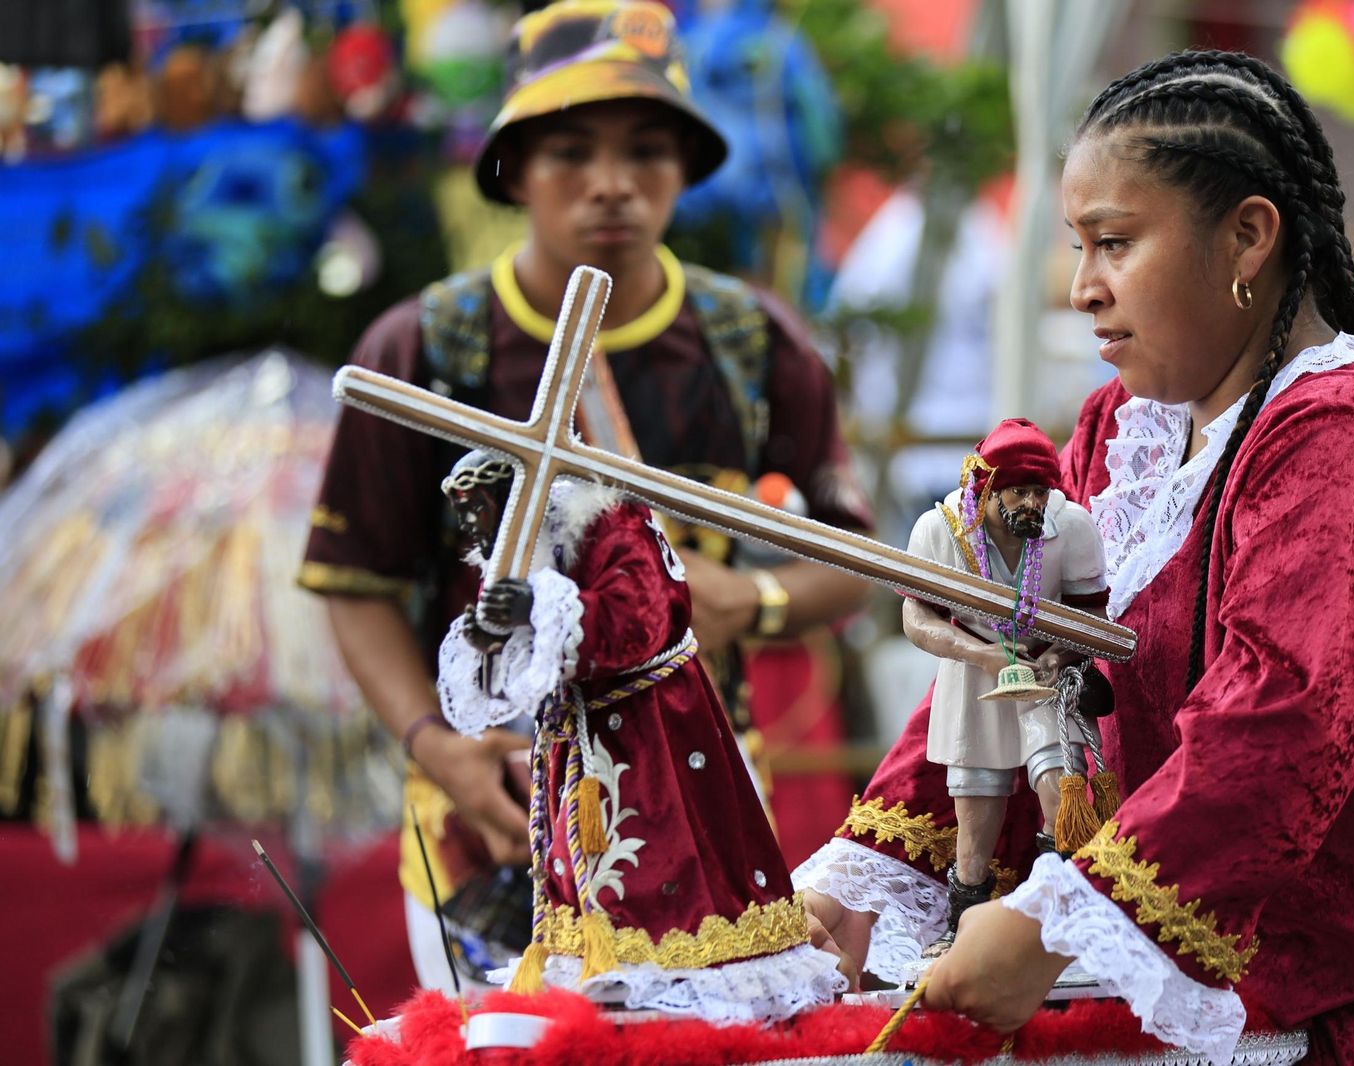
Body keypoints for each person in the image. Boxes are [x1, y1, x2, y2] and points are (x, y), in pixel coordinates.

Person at [802, 51, 1354, 1065]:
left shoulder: (1342, 432)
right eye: (1076, 246)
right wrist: (864, 876)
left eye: (1113, 243)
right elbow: (1015, 650)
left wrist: (1056, 921)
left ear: (1247, 235)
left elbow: (1284, 719)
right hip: (1185, 980)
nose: (1081, 289)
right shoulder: (1123, 426)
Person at [299, 0, 870, 991]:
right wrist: (439, 746)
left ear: (686, 166)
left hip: (708, 805)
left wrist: (758, 601)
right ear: (512, 168)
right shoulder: (425, 352)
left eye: (647, 148)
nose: (611, 183)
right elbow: (355, 582)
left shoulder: (754, 344)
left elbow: (852, 556)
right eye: (569, 151)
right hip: (488, 815)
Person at [430, 450, 844, 1018]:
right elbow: (517, 663)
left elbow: (641, 615)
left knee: (669, 859)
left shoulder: (612, 522)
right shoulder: (525, 548)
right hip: (582, 738)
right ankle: (603, 968)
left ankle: (683, 976)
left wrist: (540, 607)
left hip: (652, 731)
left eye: (479, 511)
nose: (474, 530)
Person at [900, 417, 1111, 958]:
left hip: (1045, 671)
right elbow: (916, 618)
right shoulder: (941, 528)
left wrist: (1060, 656)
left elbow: (1092, 613)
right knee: (975, 807)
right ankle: (964, 924)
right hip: (974, 672)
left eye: (1039, 492)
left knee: (1061, 790)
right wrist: (980, 654)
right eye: (1018, 491)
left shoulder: (1074, 526)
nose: (1031, 504)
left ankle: (1056, 924)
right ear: (986, 486)